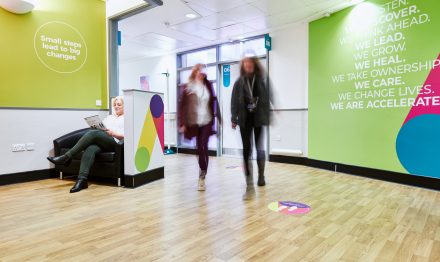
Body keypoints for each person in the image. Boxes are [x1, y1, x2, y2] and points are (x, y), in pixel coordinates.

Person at [47, 96, 125, 193]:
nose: (116, 106)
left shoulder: (127, 118)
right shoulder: (109, 117)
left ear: (125, 106)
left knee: (93, 133)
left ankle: (66, 157)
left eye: (119, 105)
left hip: (115, 143)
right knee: (90, 148)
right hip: (103, 141)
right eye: (115, 105)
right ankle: (82, 180)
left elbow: (128, 136)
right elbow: (102, 128)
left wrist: (113, 133)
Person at [231, 56, 270, 200]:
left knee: (259, 148)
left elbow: (266, 98)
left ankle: (261, 176)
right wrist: (233, 118)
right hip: (244, 120)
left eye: (250, 62)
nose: (247, 64)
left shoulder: (260, 80)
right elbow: (234, 100)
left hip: (258, 119)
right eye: (245, 63)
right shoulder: (239, 82)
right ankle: (249, 186)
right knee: (246, 150)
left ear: (254, 64)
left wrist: (268, 114)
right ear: (243, 65)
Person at [179, 64, 220, 191]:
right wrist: (182, 123)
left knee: (204, 144)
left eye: (203, 72)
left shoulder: (208, 85)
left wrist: (219, 117)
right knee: (199, 148)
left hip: (207, 120)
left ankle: (202, 174)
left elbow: (213, 100)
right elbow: (183, 106)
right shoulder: (188, 87)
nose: (201, 74)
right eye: (199, 71)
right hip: (194, 122)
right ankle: (202, 170)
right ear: (195, 72)